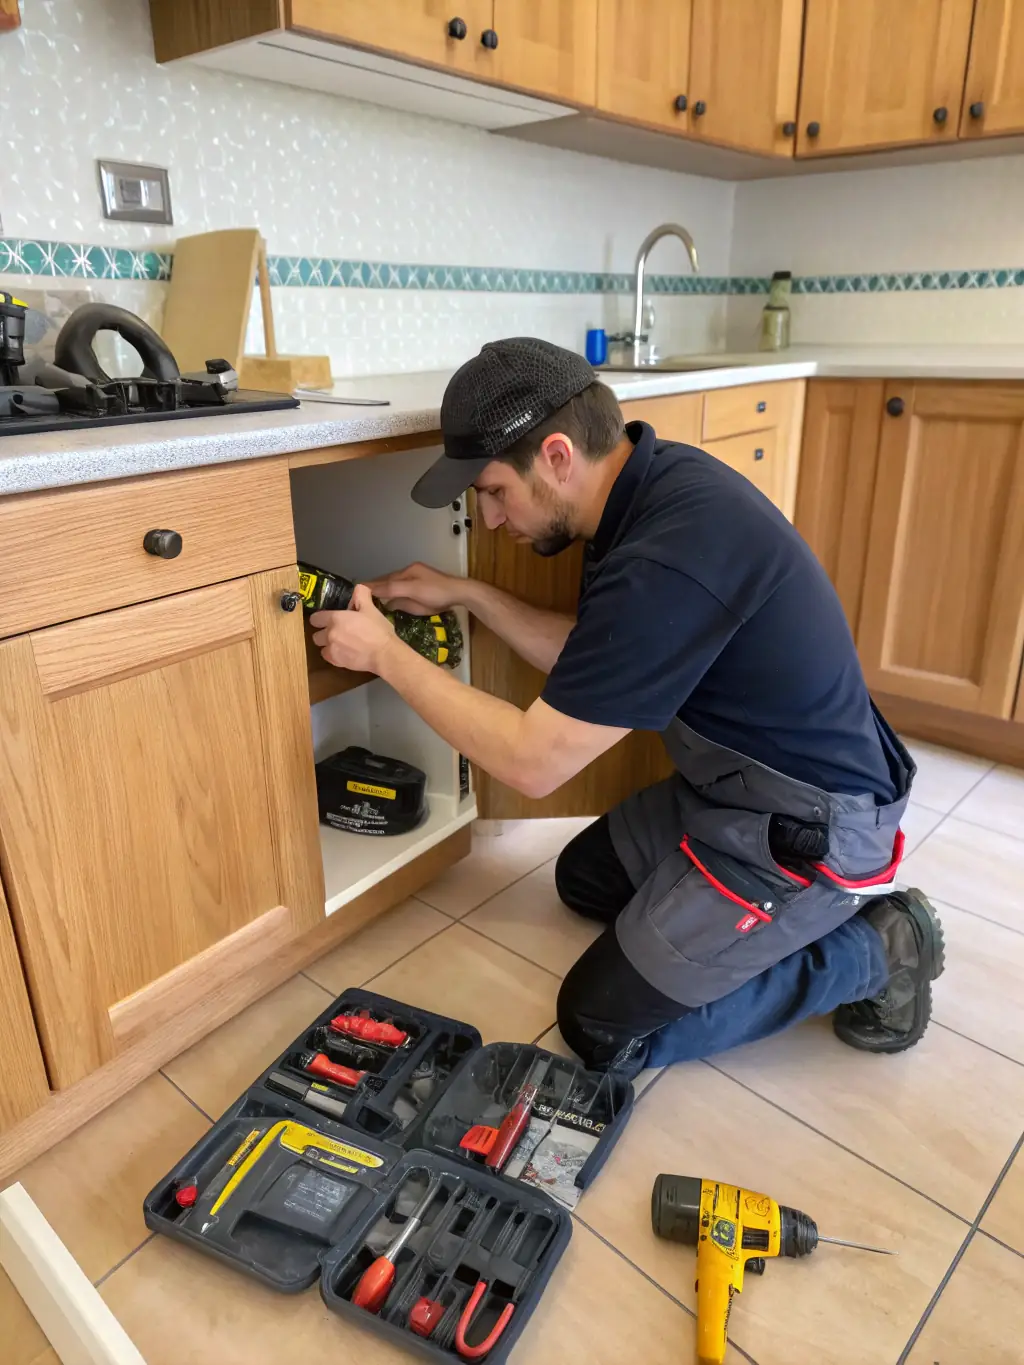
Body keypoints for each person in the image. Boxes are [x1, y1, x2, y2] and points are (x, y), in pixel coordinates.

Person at [310, 337, 944, 1076]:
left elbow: (532, 762)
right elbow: (601, 658)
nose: (489, 518)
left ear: (556, 456)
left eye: (492, 491)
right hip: (732, 791)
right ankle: (724, 922)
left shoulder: (666, 558)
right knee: (583, 879)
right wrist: (467, 594)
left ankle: (881, 945)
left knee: (601, 1026)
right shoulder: (646, 490)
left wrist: (387, 655)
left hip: (809, 828)